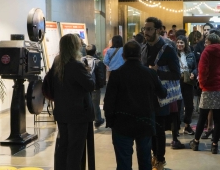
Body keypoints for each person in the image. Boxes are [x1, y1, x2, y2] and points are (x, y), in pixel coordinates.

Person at [103, 40, 167, 170]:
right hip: (145, 122)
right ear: (140, 55)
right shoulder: (150, 73)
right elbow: (163, 94)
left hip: (122, 124)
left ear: (123, 56)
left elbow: (108, 102)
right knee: (145, 162)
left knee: (123, 163)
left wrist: (110, 122)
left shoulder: (116, 75)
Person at [141, 17, 180, 170]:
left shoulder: (168, 49)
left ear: (158, 30)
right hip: (145, 96)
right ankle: (153, 156)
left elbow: (176, 74)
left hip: (160, 96)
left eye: (149, 29)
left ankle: (160, 159)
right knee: (148, 129)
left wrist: (158, 73)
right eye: (145, 29)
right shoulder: (143, 48)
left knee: (159, 129)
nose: (146, 32)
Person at [52, 34, 95, 170]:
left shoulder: (57, 62)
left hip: (61, 111)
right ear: (74, 46)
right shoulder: (76, 65)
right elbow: (90, 85)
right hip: (78, 113)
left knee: (62, 146)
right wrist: (87, 73)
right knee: (75, 149)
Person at [189, 34, 220, 154]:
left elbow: (203, 70)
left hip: (208, 89)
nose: (204, 44)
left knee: (202, 117)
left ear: (211, 42)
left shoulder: (206, 52)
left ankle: (196, 142)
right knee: (218, 119)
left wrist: (202, 85)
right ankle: (214, 145)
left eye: (206, 42)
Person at [176, 35, 197, 135]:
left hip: (188, 81)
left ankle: (187, 126)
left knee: (189, 105)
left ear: (185, 44)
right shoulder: (173, 54)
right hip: (177, 81)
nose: (179, 44)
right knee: (178, 105)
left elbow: (195, 67)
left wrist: (194, 73)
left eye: (182, 43)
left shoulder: (191, 54)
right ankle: (176, 127)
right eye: (178, 42)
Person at [85, 44, 105, 128]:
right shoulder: (98, 62)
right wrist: (100, 86)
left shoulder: (81, 60)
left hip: (84, 87)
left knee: (85, 103)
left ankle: (87, 119)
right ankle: (98, 120)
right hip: (95, 87)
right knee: (95, 104)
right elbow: (101, 76)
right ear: (95, 52)